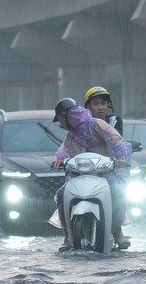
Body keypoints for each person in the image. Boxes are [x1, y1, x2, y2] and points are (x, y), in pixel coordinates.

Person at [49, 98, 130, 249]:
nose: (60, 122)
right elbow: (63, 151)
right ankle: (67, 236)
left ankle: (118, 232)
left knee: (117, 193)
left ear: (67, 115)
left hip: (105, 172)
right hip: (79, 174)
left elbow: (115, 138)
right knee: (61, 194)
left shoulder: (96, 124)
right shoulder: (71, 135)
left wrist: (120, 157)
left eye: (60, 118)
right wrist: (59, 160)